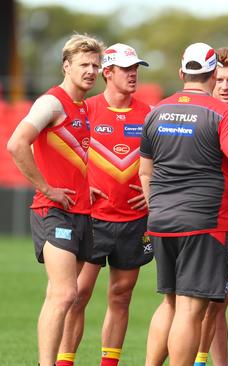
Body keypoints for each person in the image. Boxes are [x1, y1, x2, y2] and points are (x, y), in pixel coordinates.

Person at [142, 42, 228, 366]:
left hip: (161, 219)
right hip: (204, 223)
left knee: (170, 303)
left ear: (181, 73)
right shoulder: (223, 113)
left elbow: (145, 170)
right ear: (214, 73)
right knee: (191, 308)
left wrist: (157, 206)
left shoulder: (157, 111)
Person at [6, 34, 103, 366]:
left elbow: (70, 159)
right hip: (54, 211)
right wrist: (47, 189)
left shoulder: (82, 107)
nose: (91, 71)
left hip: (81, 210)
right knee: (64, 294)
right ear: (66, 66)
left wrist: (84, 185)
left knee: (70, 297)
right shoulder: (52, 102)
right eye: (83, 65)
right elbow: (17, 144)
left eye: (95, 65)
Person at [52, 43, 151, 366]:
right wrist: (81, 185)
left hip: (135, 219)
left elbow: (162, 162)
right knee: (77, 296)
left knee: (121, 296)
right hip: (93, 218)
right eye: (126, 69)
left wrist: (154, 193)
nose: (133, 74)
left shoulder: (149, 114)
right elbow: (61, 154)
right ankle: (65, 361)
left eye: (136, 68)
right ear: (107, 73)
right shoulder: (86, 109)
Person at [195, 45, 228, 366]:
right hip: (214, 219)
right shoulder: (204, 115)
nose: (225, 85)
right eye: (220, 78)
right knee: (211, 301)